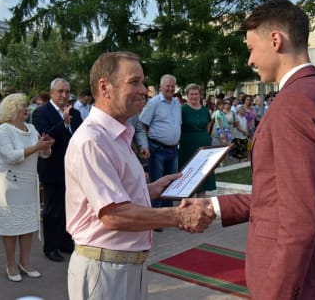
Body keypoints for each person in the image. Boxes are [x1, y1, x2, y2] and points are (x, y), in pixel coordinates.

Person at [183, 0, 315, 300]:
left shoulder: (292, 105)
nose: (250, 61)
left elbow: (298, 219)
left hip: (303, 282)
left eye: (251, 49)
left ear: (276, 40)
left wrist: (276, 292)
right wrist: (216, 207)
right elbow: (284, 197)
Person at [65, 51, 214, 300]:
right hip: (105, 271)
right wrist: (179, 215)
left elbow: (117, 195)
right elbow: (114, 214)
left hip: (125, 265)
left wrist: (154, 189)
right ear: (105, 87)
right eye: (134, 82)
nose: (144, 90)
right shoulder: (92, 140)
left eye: (143, 82)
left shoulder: (116, 135)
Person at [0, 93, 54, 282]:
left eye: (26, 105)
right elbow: (11, 156)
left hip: (28, 183)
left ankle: (25, 262)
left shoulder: (32, 127)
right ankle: (11, 264)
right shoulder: (3, 130)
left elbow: (44, 155)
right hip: (9, 184)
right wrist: (37, 147)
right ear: (12, 110)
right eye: (22, 106)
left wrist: (46, 146)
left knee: (28, 225)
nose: (27, 109)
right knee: (11, 227)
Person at [32, 78, 83, 262]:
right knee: (52, 209)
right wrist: (64, 123)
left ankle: (65, 241)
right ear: (52, 93)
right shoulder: (40, 113)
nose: (64, 95)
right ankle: (50, 247)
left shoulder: (76, 113)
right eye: (60, 91)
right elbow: (46, 137)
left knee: (69, 208)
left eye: (67, 91)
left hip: (73, 169)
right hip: (52, 167)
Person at [139, 74, 181, 217]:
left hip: (173, 149)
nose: (170, 88)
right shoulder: (154, 103)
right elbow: (142, 124)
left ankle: (167, 214)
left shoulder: (177, 103)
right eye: (167, 86)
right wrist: (144, 145)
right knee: (157, 183)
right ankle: (155, 216)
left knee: (171, 183)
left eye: (172, 86)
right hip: (157, 149)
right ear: (161, 87)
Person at [178, 83, 216, 197]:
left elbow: (208, 126)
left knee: (203, 174)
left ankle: (200, 203)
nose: (194, 96)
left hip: (204, 144)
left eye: (196, 94)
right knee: (188, 174)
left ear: (200, 95)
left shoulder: (205, 110)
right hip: (188, 145)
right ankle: (186, 203)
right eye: (191, 94)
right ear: (187, 95)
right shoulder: (182, 109)